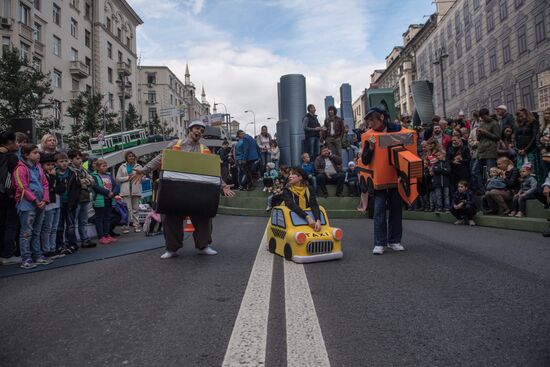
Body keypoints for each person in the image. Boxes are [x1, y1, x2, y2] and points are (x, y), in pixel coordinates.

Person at [131, 120, 235, 259]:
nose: (199, 132)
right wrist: (143, 171)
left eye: (202, 130)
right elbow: (160, 158)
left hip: (197, 190)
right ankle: (172, 249)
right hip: (174, 188)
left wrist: (222, 185)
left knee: (203, 216)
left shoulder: (204, 149)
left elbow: (212, 171)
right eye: (197, 128)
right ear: (190, 130)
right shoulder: (175, 144)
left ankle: (203, 246)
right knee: (171, 216)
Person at [361, 107, 405, 255]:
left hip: (395, 178)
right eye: (369, 121)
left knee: (396, 211)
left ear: (381, 117)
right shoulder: (369, 136)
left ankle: (394, 241)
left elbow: (406, 150)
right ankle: (379, 243)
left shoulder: (398, 130)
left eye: (372, 120)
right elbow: (365, 160)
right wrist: (371, 147)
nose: (370, 124)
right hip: (379, 181)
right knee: (379, 211)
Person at [14, 144, 51, 269]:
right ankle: (26, 257)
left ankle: (38, 255)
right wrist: (35, 200)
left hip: (41, 204)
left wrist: (45, 199)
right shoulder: (20, 169)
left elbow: (45, 184)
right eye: (35, 152)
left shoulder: (39, 167)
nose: (38, 154)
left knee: (37, 231)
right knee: (26, 232)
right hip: (27, 206)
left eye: (38, 152)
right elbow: (22, 188)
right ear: (26, 155)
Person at [67, 149, 96, 249]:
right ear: (71, 159)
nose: (80, 161)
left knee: (83, 221)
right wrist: (83, 182)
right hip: (76, 199)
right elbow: (77, 183)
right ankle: (72, 242)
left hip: (85, 198)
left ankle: (85, 240)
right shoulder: (70, 170)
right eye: (77, 158)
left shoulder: (83, 169)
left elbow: (92, 181)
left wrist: (83, 182)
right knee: (72, 223)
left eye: (81, 159)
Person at [0, 131, 21, 265]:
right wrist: (12, 193)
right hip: (7, 195)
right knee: (10, 225)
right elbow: (11, 178)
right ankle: (7, 255)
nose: (18, 145)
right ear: (9, 142)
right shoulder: (10, 157)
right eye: (16, 141)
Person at [39, 153, 65, 259]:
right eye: (47, 165)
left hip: (57, 203)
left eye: (52, 165)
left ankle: (53, 248)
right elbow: (48, 187)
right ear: (42, 165)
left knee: (54, 227)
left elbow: (62, 188)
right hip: (48, 204)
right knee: (47, 228)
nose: (50, 167)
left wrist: (54, 187)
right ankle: (46, 250)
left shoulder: (54, 175)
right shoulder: (42, 175)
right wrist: (53, 185)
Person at [282, 167, 322, 232]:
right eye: (289, 174)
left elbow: (314, 204)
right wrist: (307, 217)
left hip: (305, 221)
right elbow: (291, 205)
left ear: (300, 177)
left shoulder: (309, 189)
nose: (290, 176)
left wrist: (318, 220)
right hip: (290, 221)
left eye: (292, 174)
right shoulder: (286, 190)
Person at [116, 151, 143, 234]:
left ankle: (136, 225)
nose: (131, 157)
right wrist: (128, 178)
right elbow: (117, 178)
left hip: (136, 190)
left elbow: (143, 176)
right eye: (129, 156)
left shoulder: (139, 166)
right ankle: (126, 226)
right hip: (125, 191)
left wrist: (140, 177)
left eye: (132, 156)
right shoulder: (122, 166)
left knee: (136, 209)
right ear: (126, 158)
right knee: (127, 210)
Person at [92, 159, 117, 245]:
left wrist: (113, 193)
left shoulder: (109, 175)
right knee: (99, 218)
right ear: (98, 167)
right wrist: (107, 192)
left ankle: (107, 234)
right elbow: (95, 186)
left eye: (106, 166)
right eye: (103, 166)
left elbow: (115, 185)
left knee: (107, 218)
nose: (105, 168)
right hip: (100, 200)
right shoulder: (94, 176)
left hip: (109, 199)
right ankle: (101, 236)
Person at [515, 108, 542, 183]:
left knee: (532, 170)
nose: (520, 117)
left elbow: (534, 137)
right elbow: (516, 139)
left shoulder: (533, 122)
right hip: (520, 151)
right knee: (521, 170)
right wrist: (517, 149)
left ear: (526, 114)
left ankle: (535, 188)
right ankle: (524, 188)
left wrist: (526, 149)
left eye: (522, 115)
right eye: (518, 116)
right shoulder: (518, 125)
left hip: (530, 150)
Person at [476, 108, 501, 186]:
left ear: (487, 115)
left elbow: (497, 137)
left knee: (490, 172)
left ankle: (492, 188)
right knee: (476, 171)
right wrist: (478, 134)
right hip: (481, 150)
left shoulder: (494, 123)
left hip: (490, 151)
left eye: (483, 116)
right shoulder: (482, 124)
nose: (482, 118)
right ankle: (483, 189)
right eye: (481, 117)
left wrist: (486, 132)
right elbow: (478, 139)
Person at [539, 107, 550, 177]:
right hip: (544, 152)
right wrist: (541, 148)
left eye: (549, 113)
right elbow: (538, 139)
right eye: (546, 113)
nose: (548, 115)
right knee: (546, 172)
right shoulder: (542, 127)